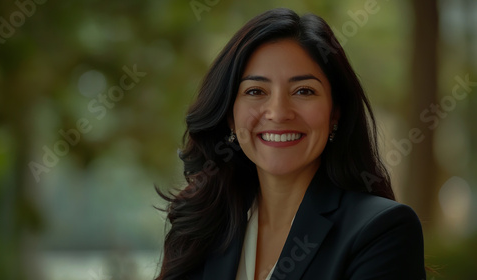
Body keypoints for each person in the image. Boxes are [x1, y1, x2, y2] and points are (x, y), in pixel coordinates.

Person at [156, 8, 426, 280]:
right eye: (255, 91)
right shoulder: (200, 227)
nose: (278, 112)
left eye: (304, 91)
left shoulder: (381, 231)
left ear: (335, 113)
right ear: (229, 115)